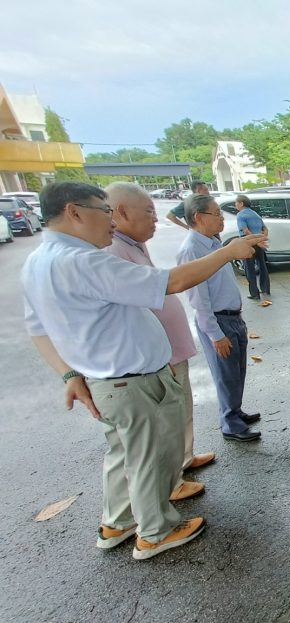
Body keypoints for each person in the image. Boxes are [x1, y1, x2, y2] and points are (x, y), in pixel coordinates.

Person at [22, 182, 264, 560]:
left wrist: (69, 375)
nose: (111, 222)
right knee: (148, 459)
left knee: (122, 455)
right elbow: (174, 282)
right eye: (105, 211)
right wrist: (229, 251)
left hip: (105, 381)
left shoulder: (38, 261)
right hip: (130, 381)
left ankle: (117, 522)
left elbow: (37, 329)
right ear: (73, 211)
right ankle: (155, 531)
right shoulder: (84, 261)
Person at [103, 183, 216, 501]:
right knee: (164, 422)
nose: (156, 218)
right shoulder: (113, 250)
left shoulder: (134, 245)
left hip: (168, 350)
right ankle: (171, 483)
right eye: (149, 212)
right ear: (121, 212)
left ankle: (183, 458)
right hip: (151, 357)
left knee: (181, 408)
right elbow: (174, 283)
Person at [177, 194, 262, 442]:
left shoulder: (214, 244)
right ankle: (230, 423)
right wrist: (215, 334)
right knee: (225, 375)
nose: (221, 218)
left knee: (236, 371)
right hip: (218, 321)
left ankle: (235, 411)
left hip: (232, 317)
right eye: (216, 213)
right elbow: (198, 299)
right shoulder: (192, 250)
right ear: (198, 217)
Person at [234, 194, 271, 301]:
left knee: (249, 269)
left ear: (241, 203)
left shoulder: (241, 215)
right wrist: (261, 240)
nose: (235, 205)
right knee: (262, 266)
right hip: (259, 243)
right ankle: (265, 289)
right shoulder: (256, 214)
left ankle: (254, 293)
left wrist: (255, 241)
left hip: (248, 243)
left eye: (236, 203)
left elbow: (245, 230)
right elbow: (265, 229)